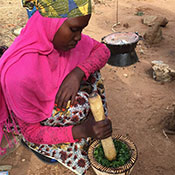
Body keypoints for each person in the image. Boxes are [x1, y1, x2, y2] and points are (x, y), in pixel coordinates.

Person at [0, 0, 112, 174]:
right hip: (30, 121)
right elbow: (31, 132)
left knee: (92, 73)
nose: (78, 38)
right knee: (79, 105)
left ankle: (84, 125)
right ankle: (49, 147)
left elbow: (103, 50)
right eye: (74, 30)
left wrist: (77, 72)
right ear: (50, 22)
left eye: (82, 30)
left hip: (46, 99)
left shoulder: (61, 41)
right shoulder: (20, 75)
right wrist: (81, 130)